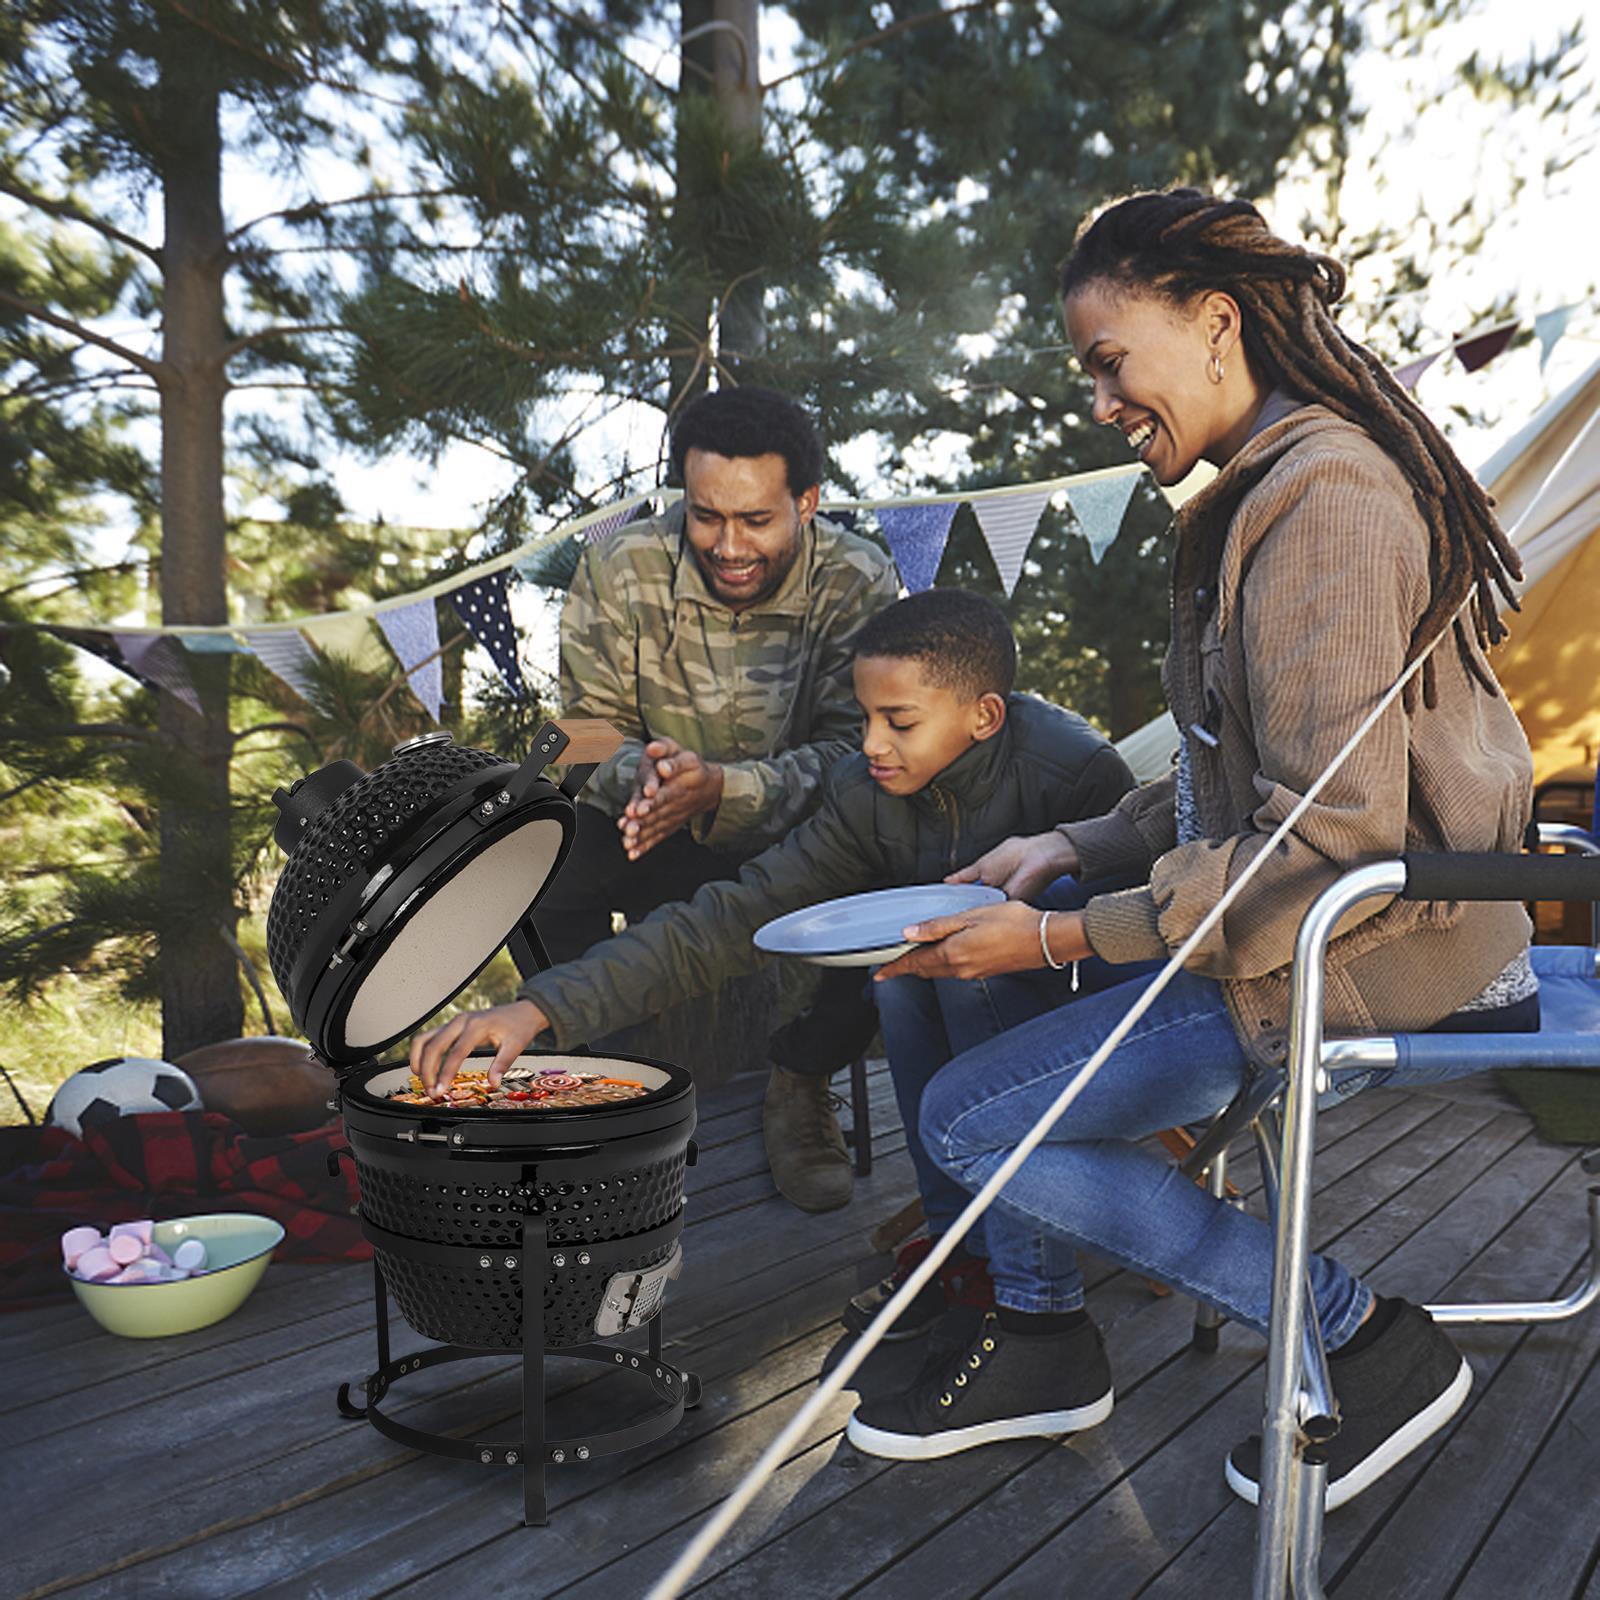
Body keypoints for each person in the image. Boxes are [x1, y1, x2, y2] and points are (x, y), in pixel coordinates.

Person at [842, 188, 1533, 1515]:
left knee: (969, 1122)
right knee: (938, 974)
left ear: (1214, 322)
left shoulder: (1324, 500)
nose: (1098, 401)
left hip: (1373, 949)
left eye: (1109, 360)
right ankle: (1038, 1334)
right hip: (1290, 927)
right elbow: (1233, 783)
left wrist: (1060, 935)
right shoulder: (1262, 494)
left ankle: (1359, 1335)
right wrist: (1065, 844)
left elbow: (1327, 841)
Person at [410, 589, 1137, 1274]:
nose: (873, 744)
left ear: (983, 716)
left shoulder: (1076, 772)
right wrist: (541, 1008)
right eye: (864, 718)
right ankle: (957, 1251)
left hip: (1087, 1019)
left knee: (961, 965)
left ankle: (1010, 1265)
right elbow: (729, 918)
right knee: (908, 984)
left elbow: (1135, 929)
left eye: (900, 722)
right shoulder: (865, 792)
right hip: (952, 1000)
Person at [534, 385, 899, 1211]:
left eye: (757, 521)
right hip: (650, 819)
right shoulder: (619, 567)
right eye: (706, 517)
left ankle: (800, 1086)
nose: (729, 545)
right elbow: (581, 734)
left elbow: (862, 752)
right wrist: (658, 782)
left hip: (803, 832)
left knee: (890, 852)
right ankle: (595, 1082)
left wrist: (726, 790)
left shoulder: (859, 579)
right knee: (536, 854)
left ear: (805, 503)